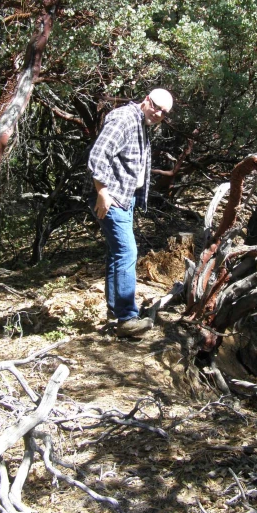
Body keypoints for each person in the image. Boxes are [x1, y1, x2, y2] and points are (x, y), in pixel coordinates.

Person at [86, 89, 174, 336]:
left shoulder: (142, 123)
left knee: (117, 253)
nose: (158, 114)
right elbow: (98, 155)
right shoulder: (124, 118)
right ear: (147, 99)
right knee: (127, 251)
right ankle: (127, 319)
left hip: (124, 196)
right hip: (111, 196)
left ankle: (117, 311)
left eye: (163, 113)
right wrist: (102, 192)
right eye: (156, 107)